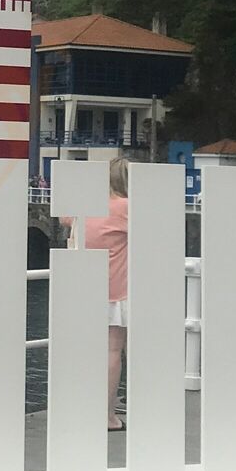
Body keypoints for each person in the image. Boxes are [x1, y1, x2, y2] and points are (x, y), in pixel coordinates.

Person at [79, 157, 132, 432]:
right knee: (113, 350)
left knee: (88, 349)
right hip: (115, 289)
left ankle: (84, 407)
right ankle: (107, 415)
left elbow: (65, 219)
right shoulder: (126, 207)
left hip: (85, 288)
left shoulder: (88, 206)